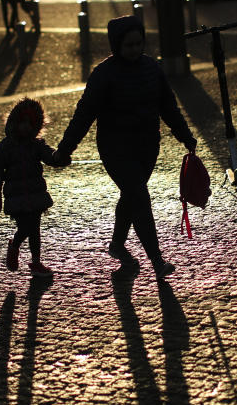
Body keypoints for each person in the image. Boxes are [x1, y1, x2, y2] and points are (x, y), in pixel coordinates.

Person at [53, 15, 197, 279]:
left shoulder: (152, 68)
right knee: (140, 197)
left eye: (138, 44)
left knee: (131, 197)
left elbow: (169, 107)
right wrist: (65, 149)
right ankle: (157, 260)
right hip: (115, 149)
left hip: (147, 148)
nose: (134, 49)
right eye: (128, 45)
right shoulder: (103, 74)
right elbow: (83, 115)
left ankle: (117, 245)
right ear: (116, 45)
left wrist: (185, 136)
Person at [0, 98, 63, 277]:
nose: (26, 128)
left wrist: (60, 157)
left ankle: (36, 262)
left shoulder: (36, 145)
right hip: (16, 196)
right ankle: (15, 245)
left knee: (34, 229)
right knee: (26, 228)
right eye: (23, 123)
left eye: (31, 124)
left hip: (35, 194)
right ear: (15, 123)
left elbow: (50, 156)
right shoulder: (6, 146)